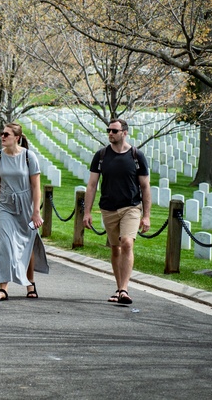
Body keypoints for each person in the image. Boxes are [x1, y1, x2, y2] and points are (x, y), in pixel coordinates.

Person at [83, 118, 151, 306]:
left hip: (131, 206)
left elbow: (145, 187)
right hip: (108, 208)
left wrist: (146, 216)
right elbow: (92, 185)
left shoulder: (137, 156)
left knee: (127, 243)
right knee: (115, 248)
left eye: (114, 130)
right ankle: (119, 287)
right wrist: (86, 212)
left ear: (125, 133)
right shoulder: (101, 155)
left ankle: (124, 289)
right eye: (109, 130)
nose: (110, 133)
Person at [0, 123, 47, 301]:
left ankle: (30, 283)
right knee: (5, 245)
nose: (2, 136)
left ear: (17, 137)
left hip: (26, 207)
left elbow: (36, 187)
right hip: (5, 206)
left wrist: (36, 211)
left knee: (27, 244)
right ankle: (3, 288)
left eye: (6, 134)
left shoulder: (29, 157)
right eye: (1, 134)